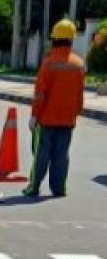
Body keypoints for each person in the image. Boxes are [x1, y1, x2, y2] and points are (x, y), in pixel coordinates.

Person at [23, 19, 86, 198]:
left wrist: (35, 115)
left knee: (41, 155)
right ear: (72, 40)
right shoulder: (79, 64)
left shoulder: (49, 63)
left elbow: (40, 94)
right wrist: (75, 113)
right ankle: (59, 189)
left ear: (54, 39)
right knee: (61, 155)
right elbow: (79, 94)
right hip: (67, 119)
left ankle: (33, 187)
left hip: (47, 119)